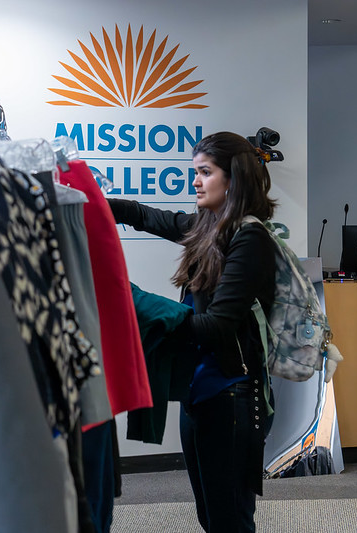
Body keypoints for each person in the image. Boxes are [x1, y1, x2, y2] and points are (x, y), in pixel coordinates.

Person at [108, 131, 277, 532]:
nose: (196, 181)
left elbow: (216, 327)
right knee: (211, 515)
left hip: (232, 396)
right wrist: (92, 205)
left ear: (233, 178)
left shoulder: (249, 238)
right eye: (195, 172)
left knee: (228, 518)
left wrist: (135, 301)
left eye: (204, 172)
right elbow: (145, 215)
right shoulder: (209, 226)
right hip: (201, 392)